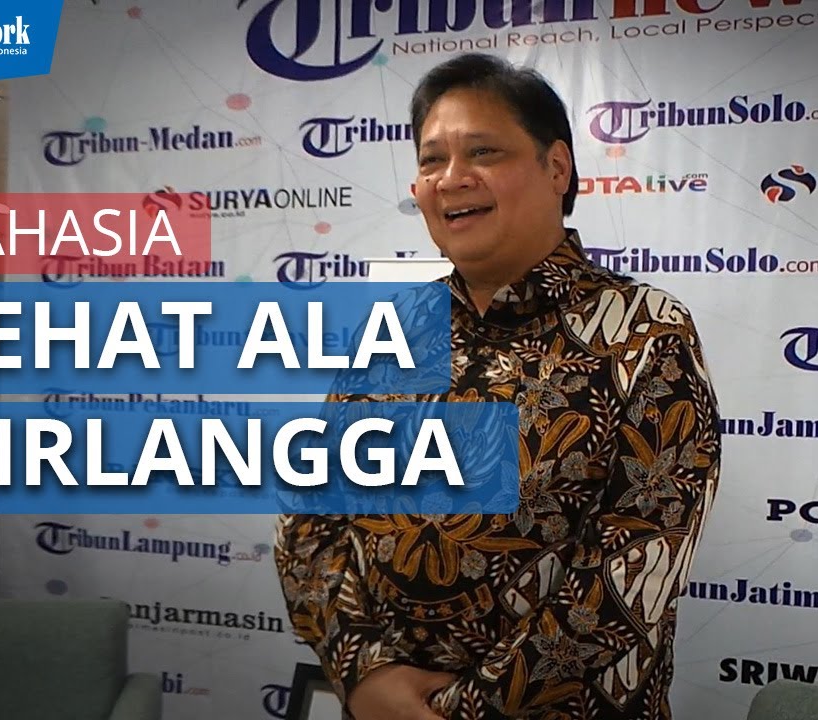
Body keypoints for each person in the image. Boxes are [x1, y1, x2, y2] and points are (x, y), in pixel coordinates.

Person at [274, 52, 722, 720]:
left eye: (483, 151)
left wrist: (463, 712)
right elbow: (309, 516)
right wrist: (363, 673)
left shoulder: (645, 334)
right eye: (432, 159)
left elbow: (634, 569)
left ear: (557, 168)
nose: (452, 178)